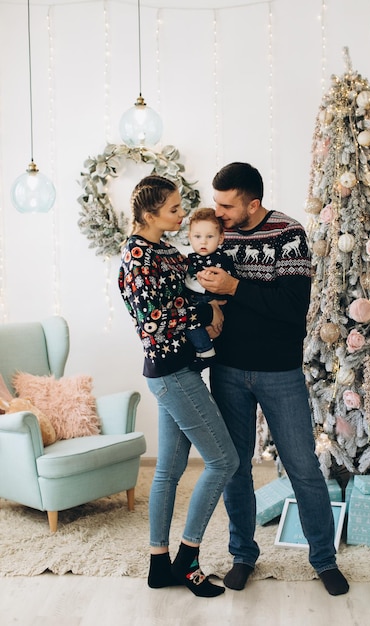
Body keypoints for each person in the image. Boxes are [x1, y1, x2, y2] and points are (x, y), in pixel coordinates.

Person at [197, 162, 349, 596]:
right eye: (216, 203)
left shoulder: (288, 234)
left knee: (303, 467)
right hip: (227, 371)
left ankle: (323, 559)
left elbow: (291, 307)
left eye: (226, 205)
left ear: (253, 203)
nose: (218, 212)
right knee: (235, 469)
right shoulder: (218, 235)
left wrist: (234, 288)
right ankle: (242, 555)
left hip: (280, 371)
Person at [118, 174, 239, 598]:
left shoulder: (166, 251)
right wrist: (205, 315)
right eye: (173, 210)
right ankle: (187, 561)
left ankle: (158, 565)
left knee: (167, 472)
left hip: (177, 370)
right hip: (172, 373)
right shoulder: (137, 256)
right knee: (225, 462)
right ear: (149, 215)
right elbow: (153, 320)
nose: (182, 214)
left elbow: (181, 294)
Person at [185, 207, 235, 371]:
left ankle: (206, 352)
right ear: (189, 237)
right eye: (197, 236)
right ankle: (202, 350)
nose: (203, 242)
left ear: (220, 238)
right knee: (190, 322)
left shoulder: (222, 260)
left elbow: (227, 285)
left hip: (214, 301)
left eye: (210, 236)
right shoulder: (189, 261)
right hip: (196, 303)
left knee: (195, 322)